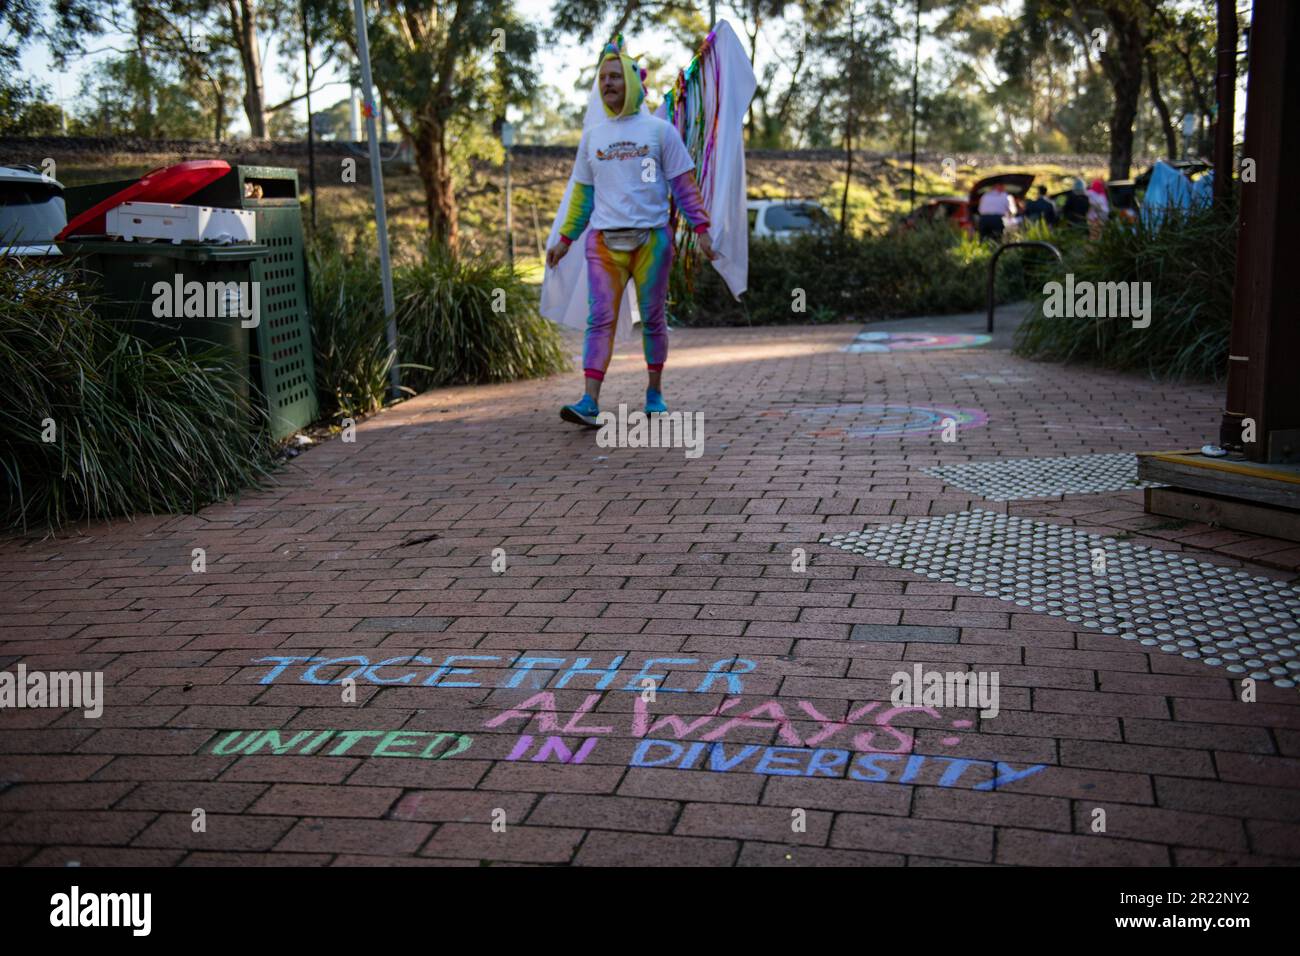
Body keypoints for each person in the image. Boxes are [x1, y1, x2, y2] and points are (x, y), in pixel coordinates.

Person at [545, 38, 717, 428]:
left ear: (633, 82)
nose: (607, 84)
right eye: (602, 78)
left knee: (654, 318)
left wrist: (702, 230)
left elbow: (684, 186)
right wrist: (565, 240)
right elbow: (582, 198)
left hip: (652, 241)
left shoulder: (660, 132)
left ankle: (654, 394)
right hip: (604, 244)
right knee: (599, 320)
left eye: (614, 77)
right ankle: (589, 402)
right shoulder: (593, 136)